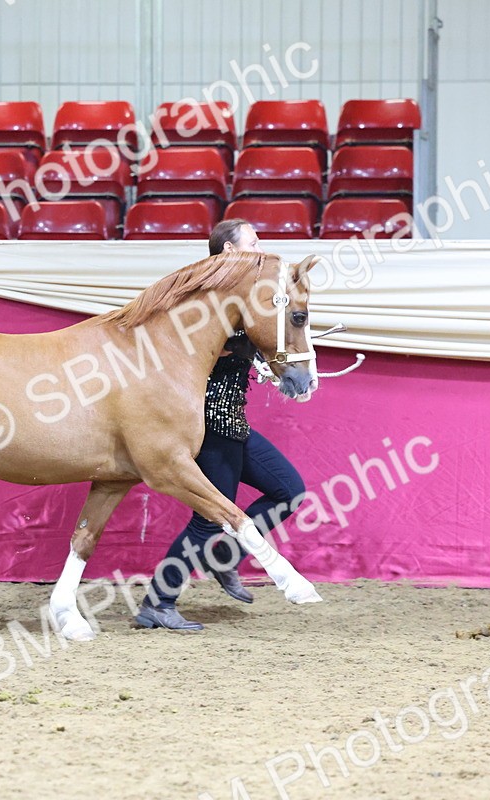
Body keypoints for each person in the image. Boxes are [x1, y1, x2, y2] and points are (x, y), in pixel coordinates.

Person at [135, 219, 306, 632]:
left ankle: (225, 557)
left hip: (234, 420)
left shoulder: (239, 298)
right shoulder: (210, 300)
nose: (261, 245)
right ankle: (158, 601)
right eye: (253, 241)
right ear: (229, 251)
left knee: (288, 490)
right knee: (209, 517)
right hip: (210, 421)